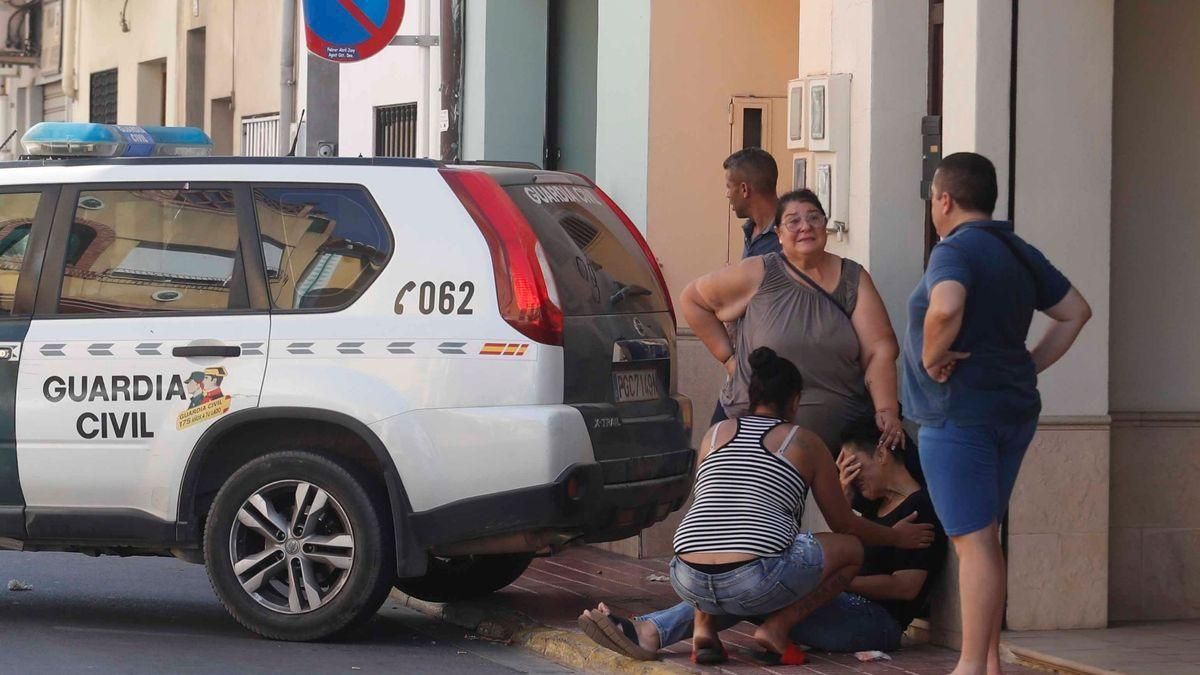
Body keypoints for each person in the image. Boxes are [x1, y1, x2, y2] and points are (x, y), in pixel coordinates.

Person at [580, 348, 935, 665]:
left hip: (686, 572)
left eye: (854, 466)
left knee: (744, 576)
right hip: (754, 578)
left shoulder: (716, 433)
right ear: (795, 401)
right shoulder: (805, 443)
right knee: (759, 577)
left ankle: (662, 632)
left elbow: (904, 587)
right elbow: (844, 527)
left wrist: (842, 574)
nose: (851, 475)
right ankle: (768, 629)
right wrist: (879, 529)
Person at [903, 152, 1091, 675]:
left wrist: (931, 354)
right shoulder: (1017, 249)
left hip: (956, 413)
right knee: (984, 534)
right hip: (1011, 408)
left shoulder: (953, 251)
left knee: (973, 540)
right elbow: (1076, 311)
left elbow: (945, 306)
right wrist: (1030, 363)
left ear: (944, 199)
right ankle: (987, 661)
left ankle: (967, 666)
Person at [681, 188, 905, 455]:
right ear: (778, 233)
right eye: (793, 221)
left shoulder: (853, 279)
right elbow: (692, 300)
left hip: (840, 443)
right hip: (755, 436)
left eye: (814, 218)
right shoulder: (758, 272)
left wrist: (886, 410)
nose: (805, 227)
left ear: (825, 225)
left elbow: (880, 349)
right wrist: (729, 360)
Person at [708, 147, 782, 425]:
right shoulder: (753, 232)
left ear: (744, 189)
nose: (727, 194)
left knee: (719, 441)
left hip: (766, 366)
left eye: (729, 186)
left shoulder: (781, 241)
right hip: (745, 363)